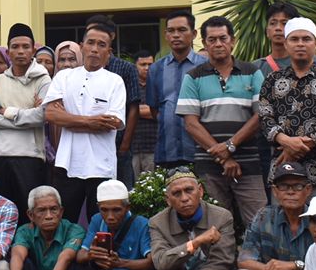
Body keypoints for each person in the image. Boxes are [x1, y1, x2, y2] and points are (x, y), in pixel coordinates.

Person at [178, 15, 266, 233]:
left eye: (223, 38)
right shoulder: (193, 77)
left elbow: (261, 116)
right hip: (209, 164)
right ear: (205, 44)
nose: (218, 44)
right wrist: (223, 156)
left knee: (260, 222)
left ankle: (258, 266)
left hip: (248, 161)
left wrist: (230, 146)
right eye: (212, 39)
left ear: (233, 40)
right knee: (214, 225)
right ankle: (220, 267)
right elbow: (191, 123)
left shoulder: (252, 72)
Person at [43, 22, 126, 222]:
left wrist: (69, 120)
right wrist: (91, 122)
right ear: (82, 46)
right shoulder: (64, 76)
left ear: (109, 51)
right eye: (91, 43)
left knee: (101, 221)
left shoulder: (114, 81)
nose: (95, 49)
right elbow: (51, 115)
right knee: (65, 221)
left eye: (101, 44)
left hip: (101, 166)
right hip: (67, 162)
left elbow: (113, 122)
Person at [258, 18, 316, 194]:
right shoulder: (272, 80)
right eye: (294, 39)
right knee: (283, 218)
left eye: (306, 39)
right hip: (283, 168)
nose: (300, 44)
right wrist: (286, 141)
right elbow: (265, 117)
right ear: (285, 43)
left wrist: (295, 148)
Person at [0, 23, 51, 208]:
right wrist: (27, 117)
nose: (20, 51)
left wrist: (9, 113)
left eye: (25, 47)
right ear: (8, 51)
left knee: (28, 213)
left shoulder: (43, 79)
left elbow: (42, 116)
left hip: (30, 158)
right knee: (0, 213)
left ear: (33, 50)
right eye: (15, 47)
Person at [83, 15, 143, 186]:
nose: (94, 46)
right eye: (90, 39)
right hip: (84, 146)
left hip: (117, 144)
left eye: (101, 40)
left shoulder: (125, 68)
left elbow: (133, 108)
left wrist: (124, 146)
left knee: (118, 193)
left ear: (111, 38)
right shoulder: (75, 72)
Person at [145, 12, 206, 175]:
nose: (176, 35)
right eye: (171, 31)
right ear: (165, 35)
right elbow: (154, 109)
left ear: (194, 34)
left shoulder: (207, 67)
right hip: (167, 151)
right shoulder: (156, 69)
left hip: (201, 151)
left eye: (182, 30)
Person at [260, 1, 299, 73]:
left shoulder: (306, 62)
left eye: (284, 23)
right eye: (273, 23)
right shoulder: (256, 67)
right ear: (267, 31)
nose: (278, 28)